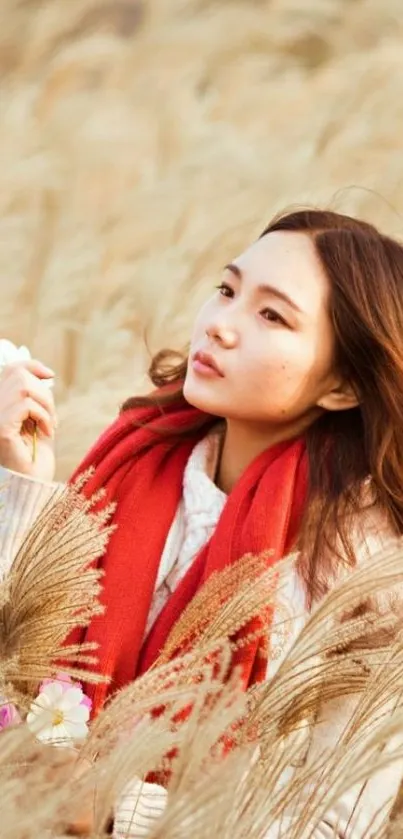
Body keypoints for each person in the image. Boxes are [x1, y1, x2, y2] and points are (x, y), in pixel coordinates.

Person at [1, 208, 403, 837]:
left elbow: (336, 820)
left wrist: (114, 806)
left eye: (271, 315)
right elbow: (16, 664)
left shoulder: (367, 575)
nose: (220, 326)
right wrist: (22, 482)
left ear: (344, 387)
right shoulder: (131, 464)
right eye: (226, 290)